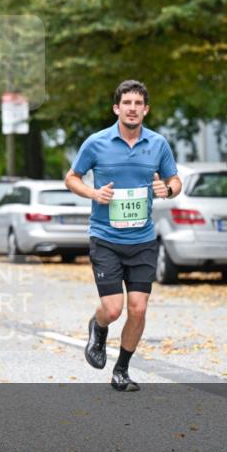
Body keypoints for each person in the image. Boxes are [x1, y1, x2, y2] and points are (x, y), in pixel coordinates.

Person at [64, 79, 181, 392]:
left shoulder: (158, 144)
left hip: (142, 239)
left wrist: (167, 189)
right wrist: (93, 193)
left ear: (146, 110)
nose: (132, 109)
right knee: (114, 309)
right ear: (117, 108)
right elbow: (71, 178)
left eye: (138, 104)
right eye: (126, 103)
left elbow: (175, 180)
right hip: (105, 238)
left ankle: (122, 369)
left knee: (138, 308)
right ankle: (98, 325)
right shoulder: (97, 143)